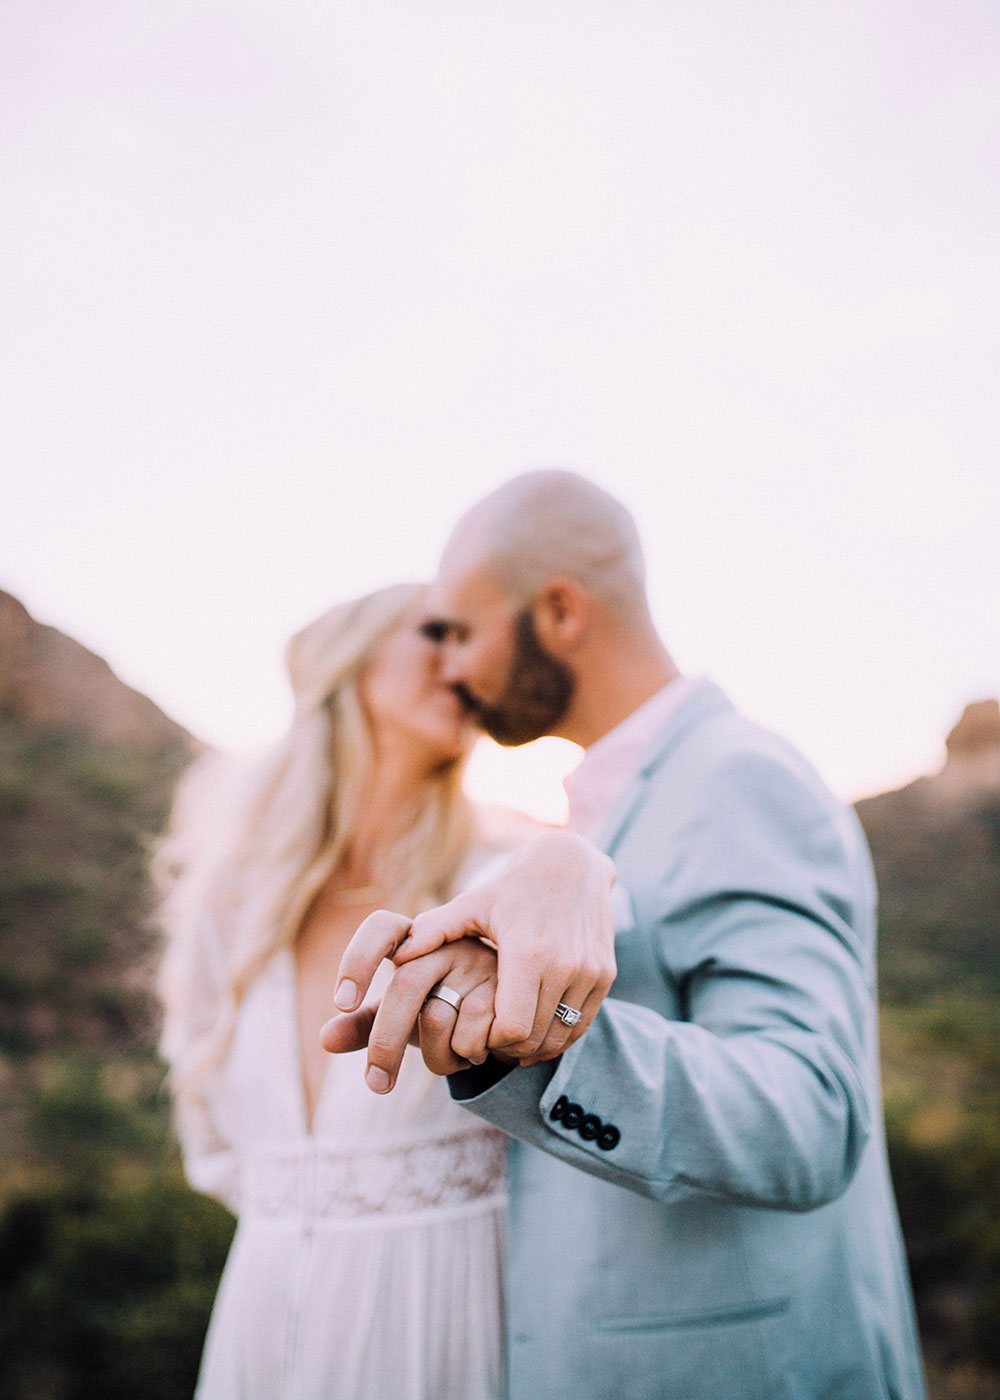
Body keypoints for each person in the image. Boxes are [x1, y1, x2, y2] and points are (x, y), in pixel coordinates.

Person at [324, 471, 928, 1399]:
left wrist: (528, 1032)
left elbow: (813, 1114)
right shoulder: (595, 812)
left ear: (559, 612)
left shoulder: (736, 777)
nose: (450, 670)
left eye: (463, 631)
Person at [157, 583, 526, 1400]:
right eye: (438, 632)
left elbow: (569, 1047)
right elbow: (216, 1148)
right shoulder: (232, 906)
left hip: (453, 1322)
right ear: (348, 663)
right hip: (262, 1320)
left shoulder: (500, 883)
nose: (467, 660)